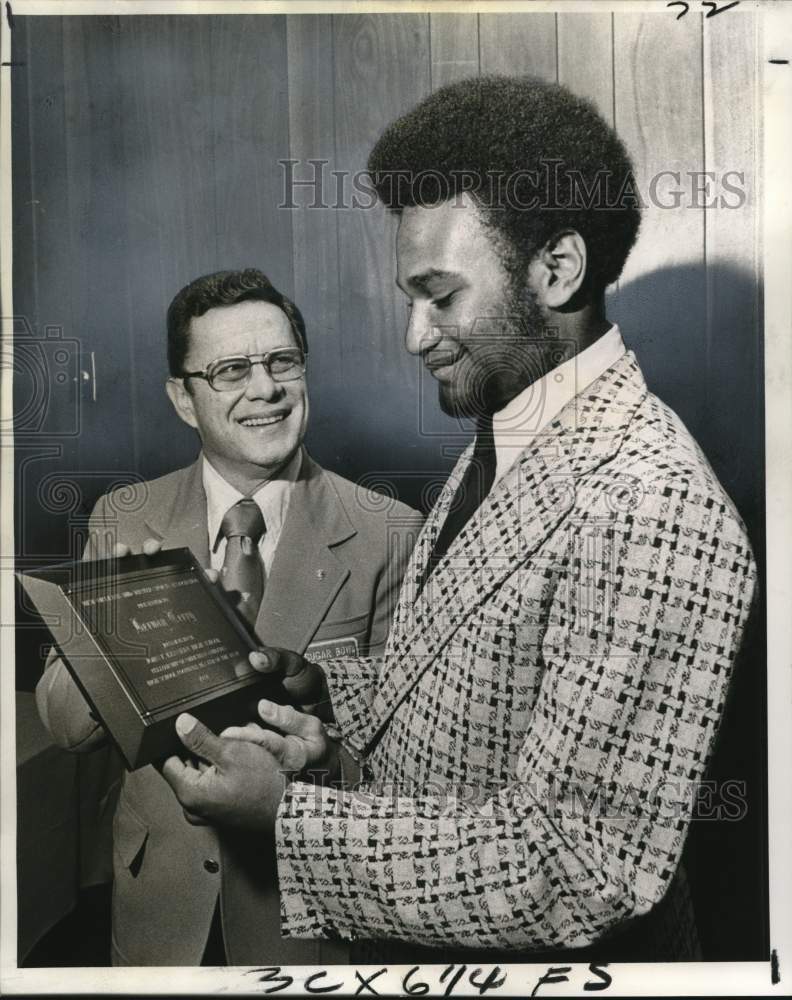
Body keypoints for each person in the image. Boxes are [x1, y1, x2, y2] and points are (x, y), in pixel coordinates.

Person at [160, 77, 758, 961]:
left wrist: (290, 816)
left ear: (557, 269)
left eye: (442, 295)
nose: (415, 335)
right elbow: (477, 680)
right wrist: (328, 691)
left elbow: (575, 868)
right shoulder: (513, 423)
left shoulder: (649, 501)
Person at [35, 268, 422, 966]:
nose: (264, 389)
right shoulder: (125, 518)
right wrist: (128, 633)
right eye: (230, 370)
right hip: (160, 916)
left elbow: (410, 768)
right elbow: (66, 727)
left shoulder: (389, 531)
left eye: (282, 362)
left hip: (312, 928)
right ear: (183, 399)